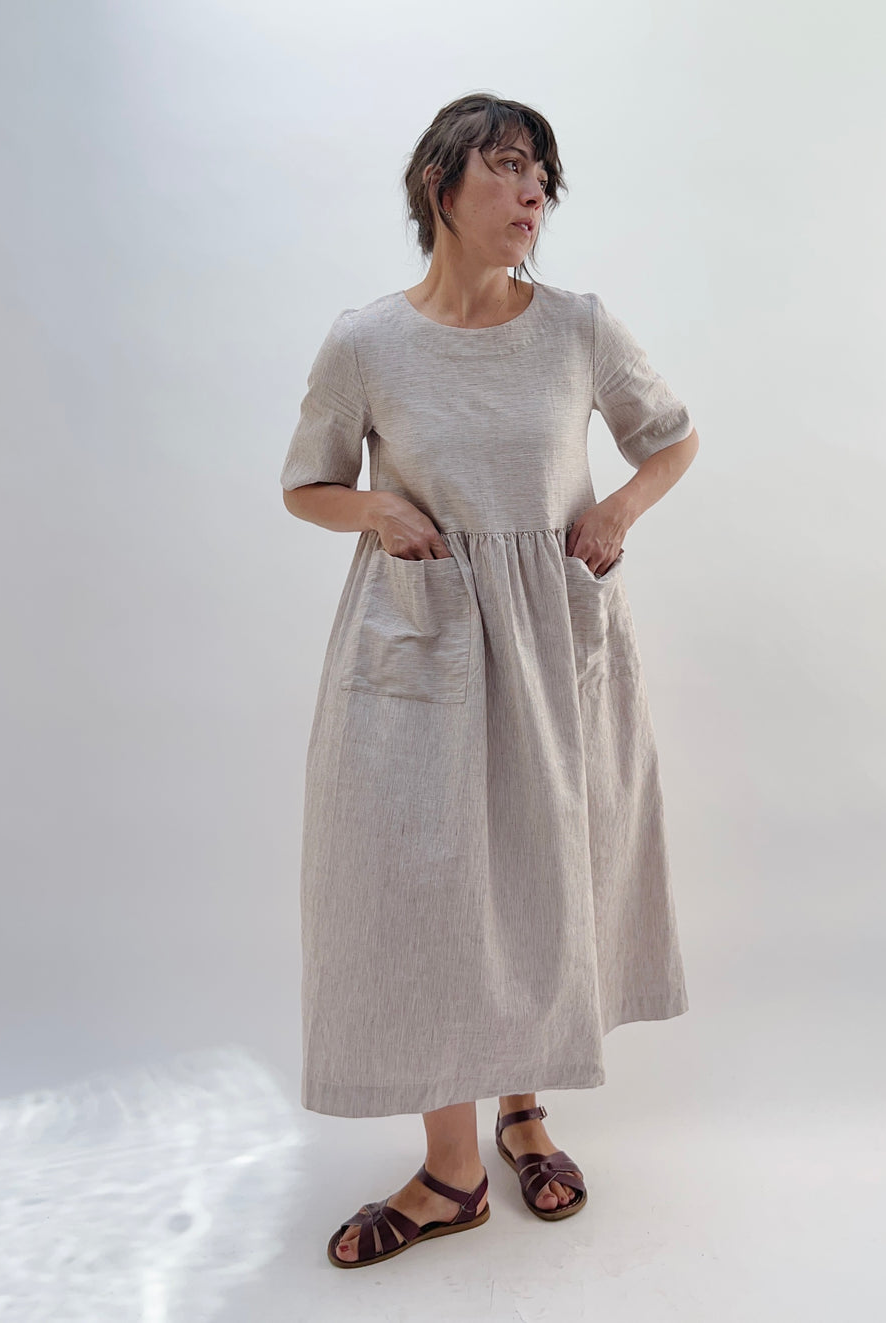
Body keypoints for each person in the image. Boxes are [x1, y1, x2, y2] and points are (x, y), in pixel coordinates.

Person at [280, 92, 699, 1268]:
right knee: (423, 889)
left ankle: (525, 1110)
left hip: (556, 641)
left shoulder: (577, 328)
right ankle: (450, 1169)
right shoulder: (366, 341)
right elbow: (304, 483)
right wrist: (372, 507)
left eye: (543, 179)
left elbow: (669, 435)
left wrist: (615, 508)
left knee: (538, 865)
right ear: (439, 184)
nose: (533, 197)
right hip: (418, 641)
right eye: (509, 169)